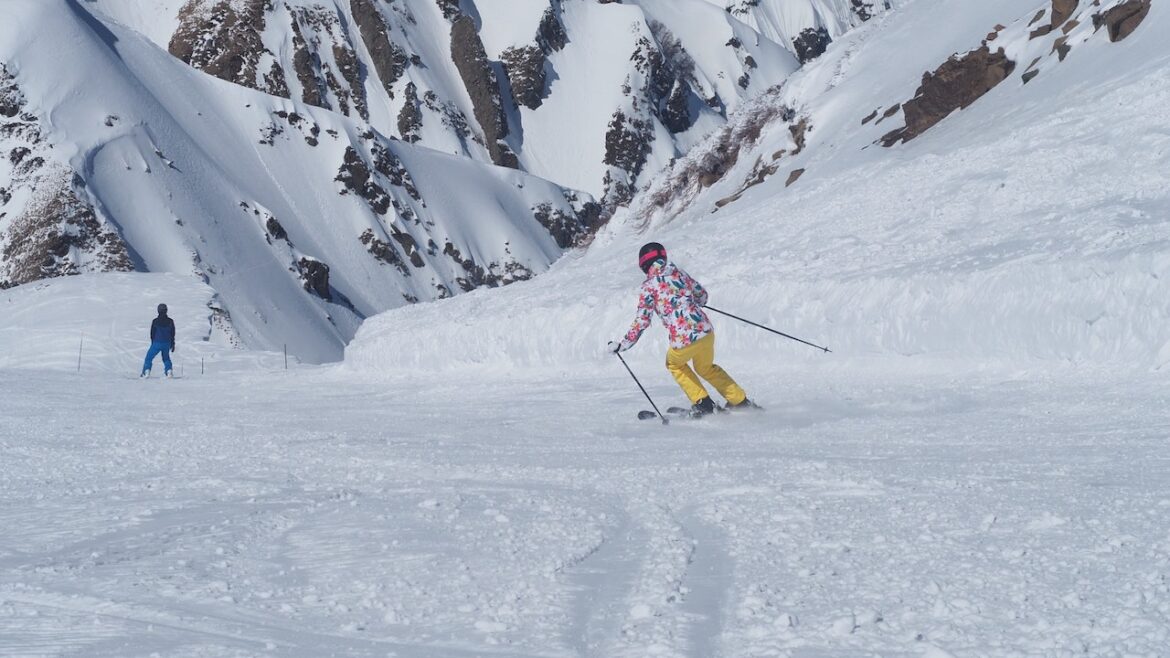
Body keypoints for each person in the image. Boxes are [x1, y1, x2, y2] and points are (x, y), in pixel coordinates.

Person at [609, 242, 756, 416]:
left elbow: (643, 319)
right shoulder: (679, 273)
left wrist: (623, 344)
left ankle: (703, 403)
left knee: (674, 364)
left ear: (644, 264)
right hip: (706, 332)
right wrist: (695, 302)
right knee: (705, 367)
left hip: (683, 339)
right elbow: (701, 294)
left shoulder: (649, 286)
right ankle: (739, 400)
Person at [141, 303, 176, 378]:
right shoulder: (170, 321)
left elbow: (152, 333)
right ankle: (169, 371)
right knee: (166, 357)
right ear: (166, 310)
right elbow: (172, 333)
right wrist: (172, 343)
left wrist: (153, 342)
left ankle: (146, 372)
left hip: (157, 342)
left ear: (158, 311)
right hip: (167, 343)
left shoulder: (155, 321)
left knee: (149, 358)